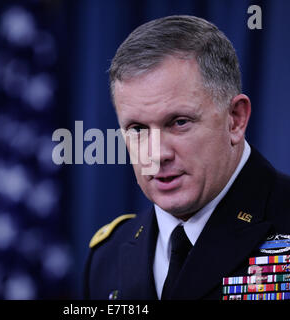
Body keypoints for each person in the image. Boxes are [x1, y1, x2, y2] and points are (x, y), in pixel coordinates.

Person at [83, 15, 290, 300]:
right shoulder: (107, 257)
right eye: (138, 129)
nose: (156, 155)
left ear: (235, 120)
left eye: (179, 122)